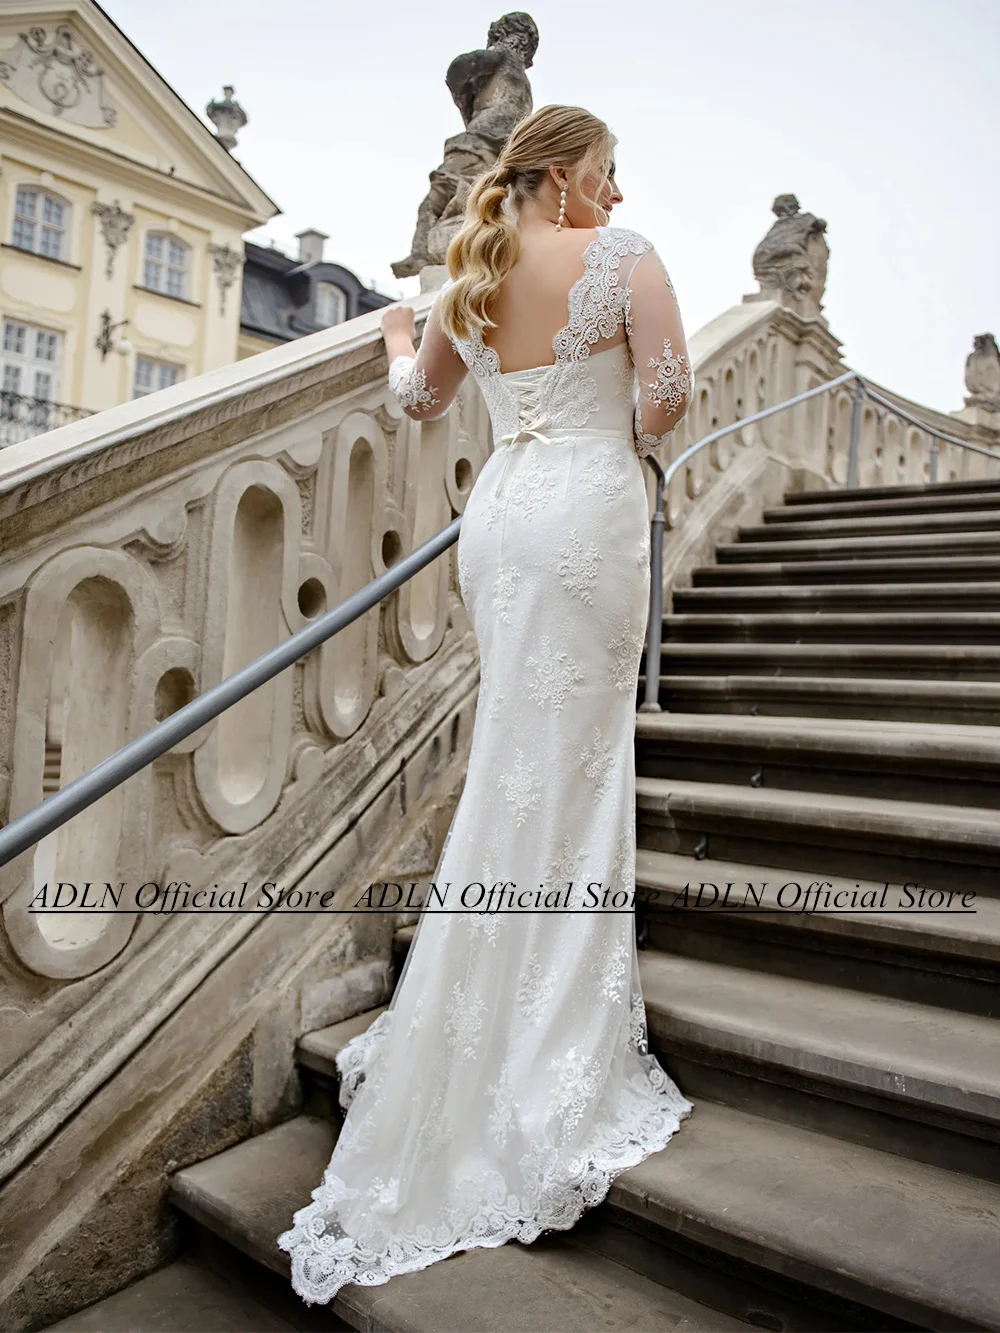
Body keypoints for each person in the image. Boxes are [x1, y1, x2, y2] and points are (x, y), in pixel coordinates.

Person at [277, 103, 695, 1306]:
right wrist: (613, 415)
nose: (616, 197)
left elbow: (416, 400)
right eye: (607, 175)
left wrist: (402, 327)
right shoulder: (624, 259)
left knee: (518, 756)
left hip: (503, 521)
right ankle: (543, 1038)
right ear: (562, 177)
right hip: (588, 515)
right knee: (571, 767)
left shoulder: (473, 272)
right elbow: (662, 399)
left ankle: (465, 1023)